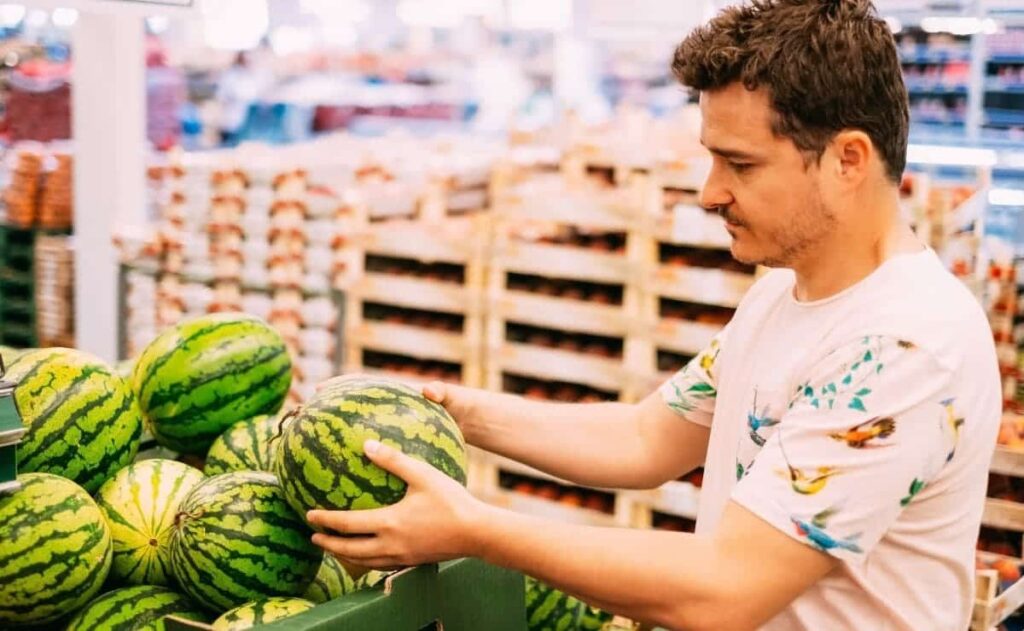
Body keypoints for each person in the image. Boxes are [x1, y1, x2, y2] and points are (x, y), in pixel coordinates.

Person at [307, 2, 1002, 629]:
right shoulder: (781, 294)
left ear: (848, 160)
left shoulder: (907, 343)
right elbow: (644, 437)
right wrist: (451, 413)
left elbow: (727, 587)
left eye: (740, 164)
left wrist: (476, 530)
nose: (709, 192)